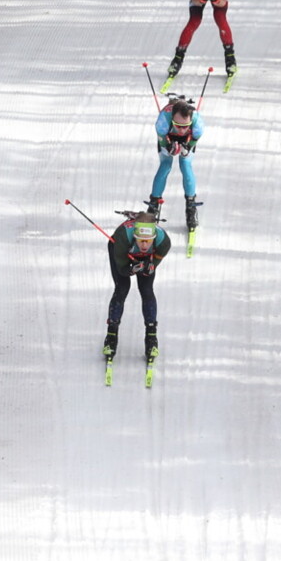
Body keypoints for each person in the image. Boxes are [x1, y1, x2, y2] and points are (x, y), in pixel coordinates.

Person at [104, 211, 170, 363]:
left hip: (144, 258)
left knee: (146, 290)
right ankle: (111, 335)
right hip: (121, 251)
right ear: (135, 236)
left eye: (148, 241)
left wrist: (150, 266)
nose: (145, 245)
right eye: (141, 241)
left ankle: (151, 337)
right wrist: (133, 268)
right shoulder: (122, 236)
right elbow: (122, 269)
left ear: (154, 237)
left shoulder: (163, 241)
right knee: (122, 288)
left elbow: (156, 259)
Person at [163, 0, 237, 82]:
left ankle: (230, 58)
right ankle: (178, 59)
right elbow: (195, 0)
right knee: (194, 21)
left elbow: (223, 1)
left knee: (220, 19)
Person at [146, 96, 202, 233]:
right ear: (172, 119)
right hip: (167, 137)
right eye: (178, 126)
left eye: (185, 126)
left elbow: (194, 138)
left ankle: (191, 207)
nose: (182, 129)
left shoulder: (198, 123)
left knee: (185, 164)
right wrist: (168, 147)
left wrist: (187, 148)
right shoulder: (163, 121)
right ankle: (154, 205)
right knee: (165, 165)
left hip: (186, 140)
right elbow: (162, 140)